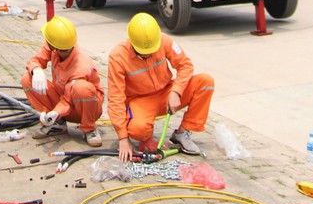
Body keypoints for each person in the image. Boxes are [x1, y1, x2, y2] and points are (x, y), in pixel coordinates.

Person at [108, 12, 214, 161]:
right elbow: (115, 98)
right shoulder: (117, 57)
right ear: (132, 43)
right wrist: (123, 139)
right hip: (141, 101)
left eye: (151, 51)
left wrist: (176, 91)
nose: (148, 54)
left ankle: (182, 133)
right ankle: (146, 139)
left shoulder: (163, 40)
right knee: (138, 129)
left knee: (205, 82)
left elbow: (185, 65)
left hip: (167, 91)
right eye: (144, 53)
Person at [21, 15, 104, 147]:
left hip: (83, 109)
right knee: (27, 79)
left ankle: (89, 129)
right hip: (62, 101)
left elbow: (67, 99)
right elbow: (35, 60)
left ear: (57, 47)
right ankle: (57, 124)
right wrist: (36, 70)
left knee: (81, 88)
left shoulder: (81, 65)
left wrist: (56, 112)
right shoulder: (56, 45)